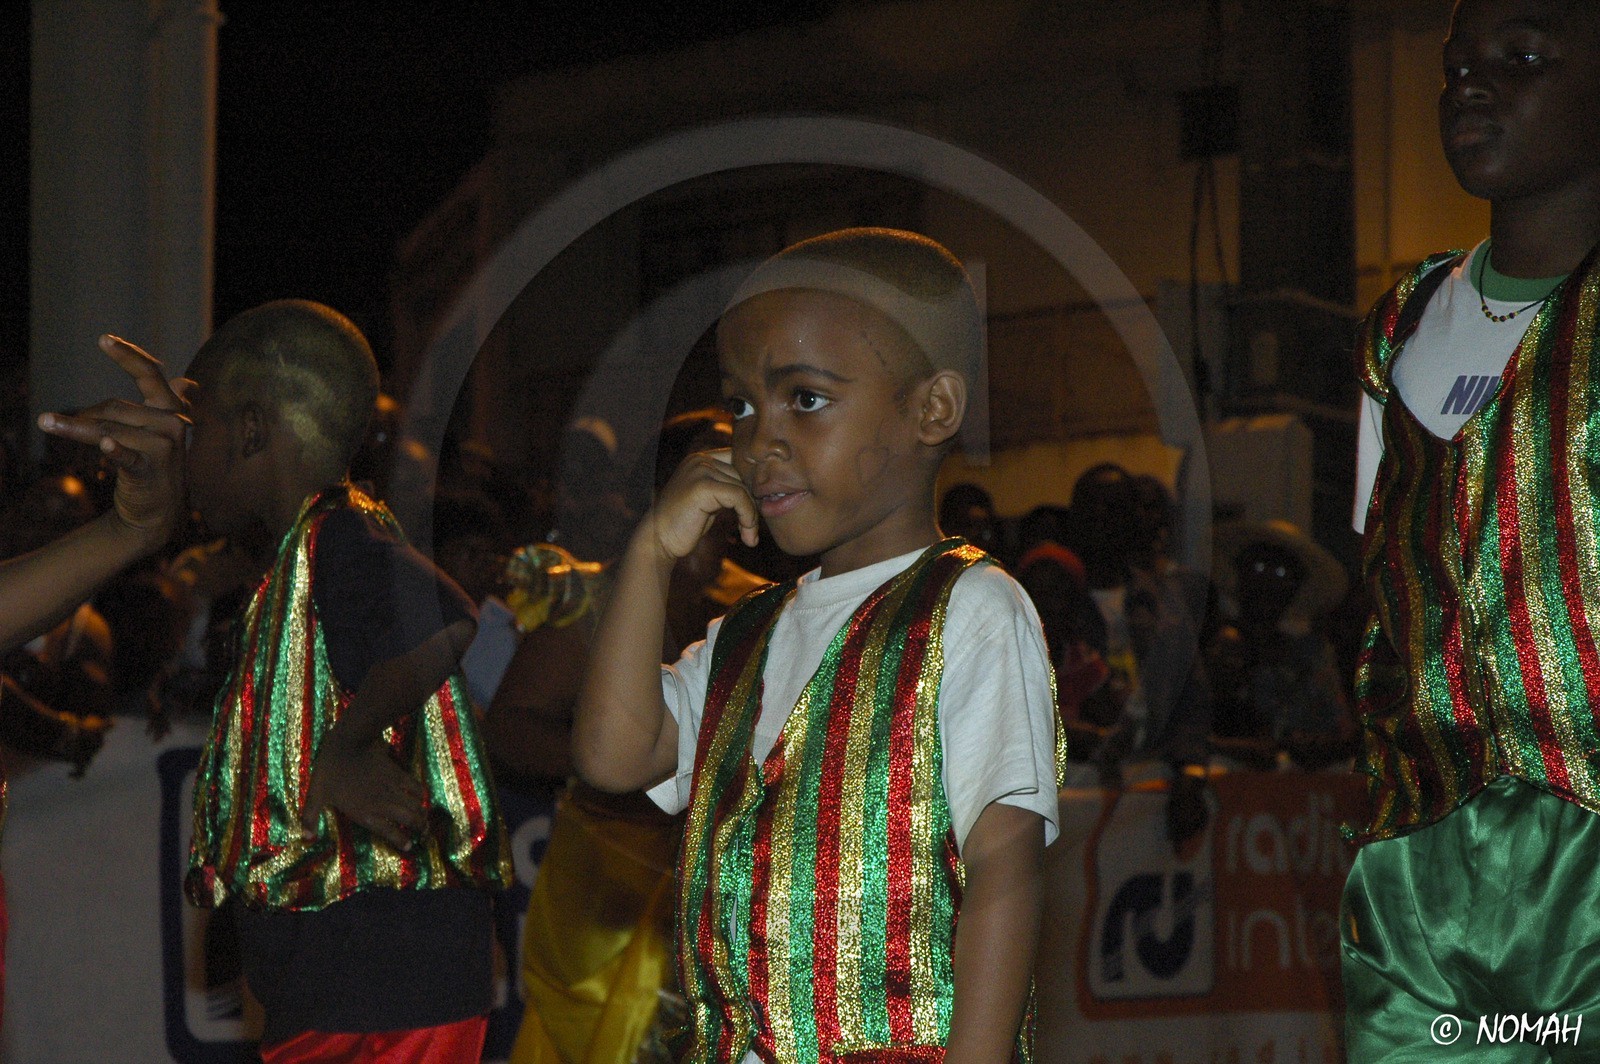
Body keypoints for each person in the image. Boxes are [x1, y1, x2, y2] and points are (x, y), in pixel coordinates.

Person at [573, 228, 1063, 1063]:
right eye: (741, 407)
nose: (759, 441)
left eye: (803, 399)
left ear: (933, 409)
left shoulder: (971, 609)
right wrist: (651, 554)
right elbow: (613, 756)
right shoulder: (746, 636)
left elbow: (1005, 871)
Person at [1343, 1, 1600, 1056]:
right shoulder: (1398, 324)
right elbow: (1378, 587)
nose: (1472, 87)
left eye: (1522, 58)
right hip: (1418, 862)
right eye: (1454, 68)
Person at [178, 300, 511, 1061]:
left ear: (250, 431)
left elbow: (446, 617)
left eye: (195, 431)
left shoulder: (339, 534)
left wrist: (348, 746)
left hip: (384, 987)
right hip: (355, 980)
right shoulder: (304, 551)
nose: (184, 456)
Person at [499, 408, 763, 1064]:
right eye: (715, 464)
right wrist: (634, 761)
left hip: (709, 884)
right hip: (606, 878)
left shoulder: (756, 603)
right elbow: (507, 728)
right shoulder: (595, 600)